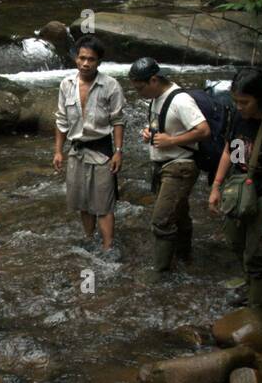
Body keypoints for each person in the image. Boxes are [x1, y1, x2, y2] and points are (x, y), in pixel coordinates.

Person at [208, 67, 262, 308]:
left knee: (256, 252)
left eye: (245, 102)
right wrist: (216, 186)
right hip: (240, 183)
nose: (239, 106)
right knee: (236, 240)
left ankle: (256, 309)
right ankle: (249, 284)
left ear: (260, 99)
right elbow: (230, 151)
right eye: (235, 101)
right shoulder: (238, 117)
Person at [128, 57, 210, 273]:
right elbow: (162, 125)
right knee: (178, 213)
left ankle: (161, 272)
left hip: (180, 166)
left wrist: (171, 141)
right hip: (164, 165)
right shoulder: (156, 98)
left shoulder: (181, 100)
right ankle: (185, 258)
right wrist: (149, 132)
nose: (138, 93)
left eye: (139, 88)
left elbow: (203, 130)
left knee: (161, 221)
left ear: (153, 80)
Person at [53, 35, 125, 257]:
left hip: (102, 151)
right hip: (76, 151)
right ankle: (89, 240)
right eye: (82, 58)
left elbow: (118, 120)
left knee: (103, 204)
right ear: (76, 58)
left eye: (91, 59)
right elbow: (61, 120)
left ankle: (107, 247)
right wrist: (58, 151)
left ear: (99, 62)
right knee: (83, 202)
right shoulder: (67, 85)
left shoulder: (110, 85)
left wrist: (118, 152)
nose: (85, 63)